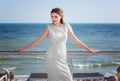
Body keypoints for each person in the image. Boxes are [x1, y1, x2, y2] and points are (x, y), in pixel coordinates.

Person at [17, 7, 97, 81]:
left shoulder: (67, 26)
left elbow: (76, 40)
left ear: (61, 17)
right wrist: (24, 49)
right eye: (52, 16)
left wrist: (89, 49)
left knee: (68, 79)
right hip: (51, 58)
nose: (53, 18)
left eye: (56, 16)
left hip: (62, 58)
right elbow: (38, 41)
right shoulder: (49, 28)